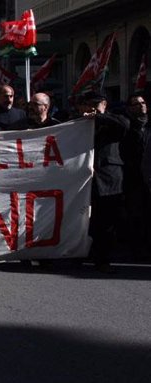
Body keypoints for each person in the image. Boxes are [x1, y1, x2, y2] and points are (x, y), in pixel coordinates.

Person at [75, 91, 129, 272]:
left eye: (94, 105)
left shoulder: (114, 120)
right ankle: (82, 253)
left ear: (104, 105)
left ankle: (103, 258)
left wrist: (100, 117)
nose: (90, 108)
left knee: (106, 221)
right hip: (84, 180)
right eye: (87, 104)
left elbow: (124, 126)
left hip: (108, 179)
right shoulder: (79, 123)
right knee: (85, 219)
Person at [120, 94, 150, 257]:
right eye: (136, 104)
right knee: (136, 214)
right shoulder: (126, 125)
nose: (141, 106)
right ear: (130, 108)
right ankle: (137, 248)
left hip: (148, 177)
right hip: (133, 177)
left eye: (143, 102)